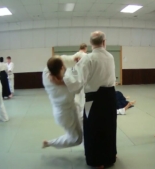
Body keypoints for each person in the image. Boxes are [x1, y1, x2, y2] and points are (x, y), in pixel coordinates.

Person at [51, 31, 117, 168]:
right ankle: (109, 156)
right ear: (104, 42)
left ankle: (98, 160)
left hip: (93, 99)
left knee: (93, 127)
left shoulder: (88, 59)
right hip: (110, 97)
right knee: (109, 126)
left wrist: (69, 71)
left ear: (90, 44)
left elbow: (76, 83)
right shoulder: (110, 57)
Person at [42, 55, 82, 149]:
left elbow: (60, 58)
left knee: (85, 129)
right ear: (61, 67)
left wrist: (74, 58)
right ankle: (49, 143)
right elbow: (79, 86)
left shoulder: (46, 72)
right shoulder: (65, 85)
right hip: (64, 114)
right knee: (76, 139)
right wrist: (63, 83)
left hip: (71, 108)